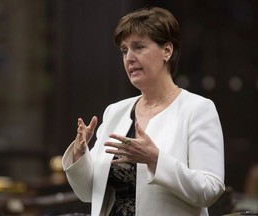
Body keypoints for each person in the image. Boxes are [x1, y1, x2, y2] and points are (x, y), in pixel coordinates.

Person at [62, 7, 225, 216]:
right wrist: (79, 153)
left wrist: (156, 160)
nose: (129, 57)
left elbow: (210, 189)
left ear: (167, 51)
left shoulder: (197, 109)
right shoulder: (116, 112)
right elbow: (88, 193)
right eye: (124, 50)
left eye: (138, 47)